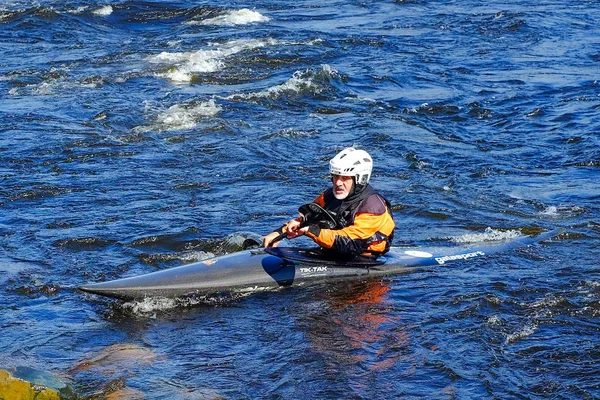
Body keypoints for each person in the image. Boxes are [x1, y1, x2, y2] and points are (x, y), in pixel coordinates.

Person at [263, 147, 395, 259]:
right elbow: (308, 218)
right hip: (334, 252)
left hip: (363, 259)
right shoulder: (330, 196)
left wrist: (311, 231)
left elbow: (349, 242)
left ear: (360, 179)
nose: (338, 183)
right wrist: (279, 233)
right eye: (336, 176)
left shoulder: (373, 207)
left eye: (344, 178)